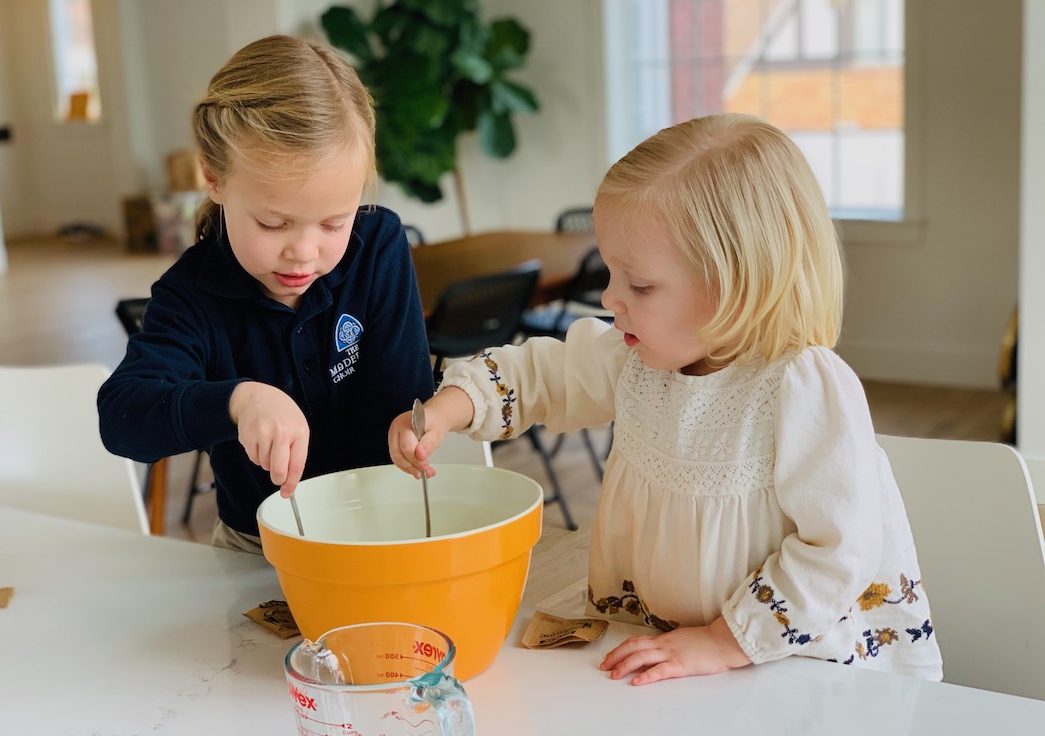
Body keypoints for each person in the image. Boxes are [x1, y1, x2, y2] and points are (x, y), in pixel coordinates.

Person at [388, 113, 943, 685]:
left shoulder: (802, 387)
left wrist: (723, 642)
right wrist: (450, 406)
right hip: (667, 654)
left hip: (792, 668)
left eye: (641, 285)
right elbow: (542, 374)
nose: (610, 298)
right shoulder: (636, 359)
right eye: (610, 273)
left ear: (738, 286)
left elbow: (836, 552)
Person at [99, 35, 434, 553]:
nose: (303, 252)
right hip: (257, 549)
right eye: (273, 224)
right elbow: (123, 420)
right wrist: (238, 400)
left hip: (384, 531)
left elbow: (401, 396)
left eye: (333, 222)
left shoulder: (377, 246)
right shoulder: (191, 296)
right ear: (213, 178)